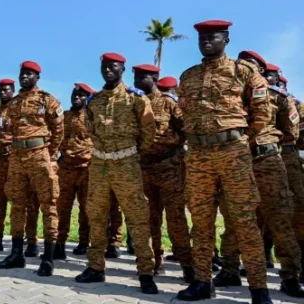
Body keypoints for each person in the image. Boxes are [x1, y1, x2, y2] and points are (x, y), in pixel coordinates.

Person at [175, 21, 272, 304]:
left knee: (244, 220)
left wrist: (239, 140)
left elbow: (262, 114)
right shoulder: (189, 75)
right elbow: (183, 114)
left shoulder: (244, 72)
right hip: (198, 156)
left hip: (234, 153)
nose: (206, 41)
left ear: (225, 39)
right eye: (202, 37)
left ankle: (258, 288)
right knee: (201, 221)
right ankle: (202, 281)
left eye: (212, 37)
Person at [215, 55, 303, 298]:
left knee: (279, 219)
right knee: (234, 219)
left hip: (267, 162)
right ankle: (230, 268)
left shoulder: (279, 98)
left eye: (249, 65)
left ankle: (290, 276)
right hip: (237, 161)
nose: (241, 68)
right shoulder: (226, 95)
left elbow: (290, 134)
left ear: (261, 71)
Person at [77, 52, 158, 295]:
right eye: (104, 66)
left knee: (137, 218)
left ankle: (145, 272)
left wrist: (131, 153)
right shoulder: (94, 101)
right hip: (100, 165)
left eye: (113, 67)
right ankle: (95, 267)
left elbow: (149, 131)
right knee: (96, 215)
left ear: (123, 69)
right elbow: (90, 129)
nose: (108, 70)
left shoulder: (136, 99)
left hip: (127, 164)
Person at [0, 61, 63, 277]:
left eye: (29, 74)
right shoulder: (13, 104)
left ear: (37, 77)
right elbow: (8, 129)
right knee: (17, 204)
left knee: (48, 204)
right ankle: (17, 254)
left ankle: (48, 257)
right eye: (22, 74)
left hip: (39, 155)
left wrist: (50, 155)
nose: (24, 77)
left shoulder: (47, 100)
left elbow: (59, 128)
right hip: (17, 157)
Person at [132, 64, 194, 282]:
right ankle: (154, 262)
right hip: (143, 168)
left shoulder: (168, 103)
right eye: (136, 76)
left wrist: (174, 151)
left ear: (155, 78)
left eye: (143, 76)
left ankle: (188, 265)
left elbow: (185, 129)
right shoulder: (134, 103)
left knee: (176, 218)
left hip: (169, 167)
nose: (137, 80)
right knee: (149, 219)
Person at [0, 79, 40, 255]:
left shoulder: (18, 108)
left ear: (13, 90)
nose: (3, 93)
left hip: (16, 157)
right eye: (0, 90)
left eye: (6, 90)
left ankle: (31, 241)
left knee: (25, 200)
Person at [269, 68, 304, 281]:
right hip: (261, 159)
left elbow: (296, 133)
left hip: (288, 160)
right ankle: (262, 258)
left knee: (295, 212)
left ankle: (296, 267)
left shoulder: (295, 104)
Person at [55, 83, 95, 259]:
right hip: (65, 168)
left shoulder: (91, 117)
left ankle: (83, 242)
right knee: (61, 208)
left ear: (87, 98)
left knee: (86, 209)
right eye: (74, 94)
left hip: (86, 168)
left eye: (80, 95)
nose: (76, 97)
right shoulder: (63, 117)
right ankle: (59, 244)